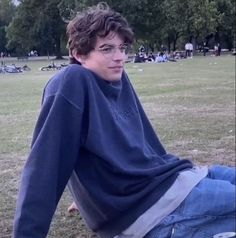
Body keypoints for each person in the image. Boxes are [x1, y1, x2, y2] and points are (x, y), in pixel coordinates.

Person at [13, 3, 235, 238]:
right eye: (107, 49)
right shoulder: (71, 82)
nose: (120, 57)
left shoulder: (116, 78)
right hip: (158, 209)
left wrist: (86, 198)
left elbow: (120, 151)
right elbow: (44, 168)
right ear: (79, 54)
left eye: (122, 48)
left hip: (182, 178)